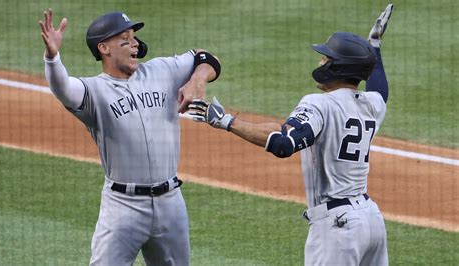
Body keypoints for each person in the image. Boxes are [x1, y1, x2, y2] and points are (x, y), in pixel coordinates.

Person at [188, 4, 394, 266]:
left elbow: (284, 143)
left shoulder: (320, 104)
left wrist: (225, 120)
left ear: (338, 68)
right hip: (371, 220)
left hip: (338, 228)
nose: (321, 62)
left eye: (326, 58)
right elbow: (380, 89)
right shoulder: (371, 104)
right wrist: (374, 45)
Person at [39, 8, 221, 266]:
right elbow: (63, 88)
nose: (135, 43)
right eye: (125, 39)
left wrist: (197, 80)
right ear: (104, 48)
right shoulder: (94, 90)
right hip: (123, 208)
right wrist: (52, 57)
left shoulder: (162, 71)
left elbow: (207, 58)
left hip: (171, 203)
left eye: (134, 37)